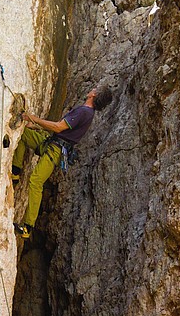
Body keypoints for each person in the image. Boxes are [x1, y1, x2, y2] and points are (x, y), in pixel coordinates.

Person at [12, 84, 113, 239]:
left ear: (94, 94)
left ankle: (27, 227)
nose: (92, 89)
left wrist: (33, 118)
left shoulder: (83, 112)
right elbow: (63, 131)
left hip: (55, 149)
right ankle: (16, 173)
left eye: (94, 88)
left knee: (36, 181)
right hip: (52, 143)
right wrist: (36, 126)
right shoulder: (87, 113)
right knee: (24, 134)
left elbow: (59, 127)